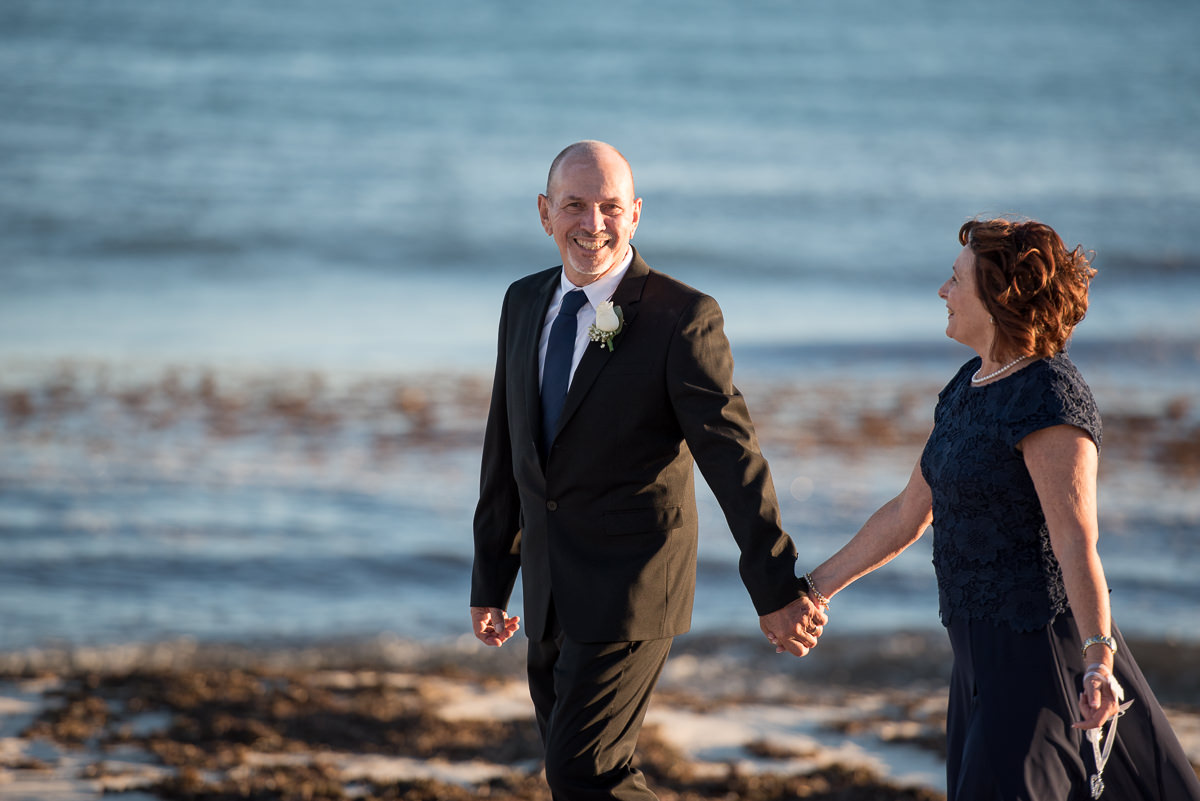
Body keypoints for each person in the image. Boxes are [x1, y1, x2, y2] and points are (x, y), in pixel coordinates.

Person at [793, 218, 1200, 799]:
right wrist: (814, 589)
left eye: (956, 280)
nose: (942, 292)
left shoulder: (1049, 395)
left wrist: (1098, 661)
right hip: (975, 665)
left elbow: (1075, 541)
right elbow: (909, 512)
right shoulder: (968, 385)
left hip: (1040, 663)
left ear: (999, 295)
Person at [470, 140, 828, 800]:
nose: (593, 223)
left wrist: (776, 584)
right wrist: (494, 575)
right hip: (550, 589)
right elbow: (507, 444)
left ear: (636, 214)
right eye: (575, 205)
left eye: (610, 206)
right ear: (545, 212)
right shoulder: (523, 302)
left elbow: (732, 457)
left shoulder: (681, 318)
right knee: (580, 771)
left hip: (632, 589)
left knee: (585, 772)